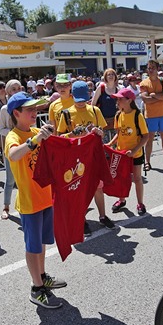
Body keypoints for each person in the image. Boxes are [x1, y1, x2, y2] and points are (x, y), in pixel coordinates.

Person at [4, 92, 66, 309]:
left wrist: (84, 134)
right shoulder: (13, 136)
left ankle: (41, 276)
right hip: (30, 202)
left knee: (41, 244)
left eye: (35, 109)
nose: (34, 112)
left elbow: (60, 145)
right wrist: (36, 139)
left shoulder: (35, 131)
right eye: (29, 109)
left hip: (45, 198)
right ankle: (36, 288)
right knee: (32, 247)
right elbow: (14, 155)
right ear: (16, 113)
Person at [56, 80, 116, 234]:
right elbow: (60, 137)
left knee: (98, 187)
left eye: (83, 100)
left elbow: (101, 130)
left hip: (93, 155)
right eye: (78, 100)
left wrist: (99, 132)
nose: (81, 103)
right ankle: (81, 219)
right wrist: (73, 134)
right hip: (75, 158)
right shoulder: (67, 113)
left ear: (88, 96)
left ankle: (102, 216)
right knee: (80, 190)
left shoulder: (95, 110)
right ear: (73, 96)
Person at [106, 88, 150, 216]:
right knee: (121, 178)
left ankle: (140, 203)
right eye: (117, 99)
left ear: (129, 100)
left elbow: (145, 136)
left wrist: (135, 150)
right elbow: (118, 133)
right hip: (121, 153)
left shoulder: (137, 115)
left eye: (120, 99)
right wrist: (110, 143)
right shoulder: (118, 115)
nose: (117, 101)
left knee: (137, 178)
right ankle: (121, 200)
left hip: (135, 154)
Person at [140, 60, 163, 170]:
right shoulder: (144, 83)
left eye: (152, 68)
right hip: (150, 115)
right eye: (149, 68)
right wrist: (161, 97)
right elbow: (146, 99)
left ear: (157, 69)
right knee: (149, 139)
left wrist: (154, 95)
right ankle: (147, 162)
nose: (150, 70)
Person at [0, 79, 23, 219]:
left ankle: (24, 206)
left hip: (26, 147)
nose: (17, 91)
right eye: (13, 89)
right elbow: (1, 129)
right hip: (12, 147)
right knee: (10, 180)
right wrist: (14, 133)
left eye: (18, 88)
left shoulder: (26, 105)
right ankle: (6, 207)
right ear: (7, 92)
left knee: (25, 178)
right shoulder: (4, 109)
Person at [91, 68, 120, 143]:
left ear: (115, 76)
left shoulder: (118, 89)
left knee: (116, 143)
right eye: (108, 74)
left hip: (115, 121)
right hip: (103, 121)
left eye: (112, 74)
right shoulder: (101, 88)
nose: (111, 76)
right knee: (104, 144)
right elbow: (93, 104)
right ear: (105, 77)